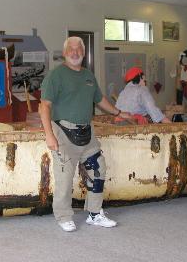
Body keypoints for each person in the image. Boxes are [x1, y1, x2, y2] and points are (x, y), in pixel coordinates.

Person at [40, 36, 131, 232]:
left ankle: (94, 213)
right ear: (65, 53)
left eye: (78, 49)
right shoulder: (56, 76)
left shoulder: (89, 76)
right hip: (63, 133)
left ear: (83, 52)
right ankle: (63, 216)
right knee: (64, 177)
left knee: (99, 169)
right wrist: (49, 135)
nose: (75, 52)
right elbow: (44, 106)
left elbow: (99, 99)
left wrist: (117, 112)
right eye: (71, 49)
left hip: (86, 133)